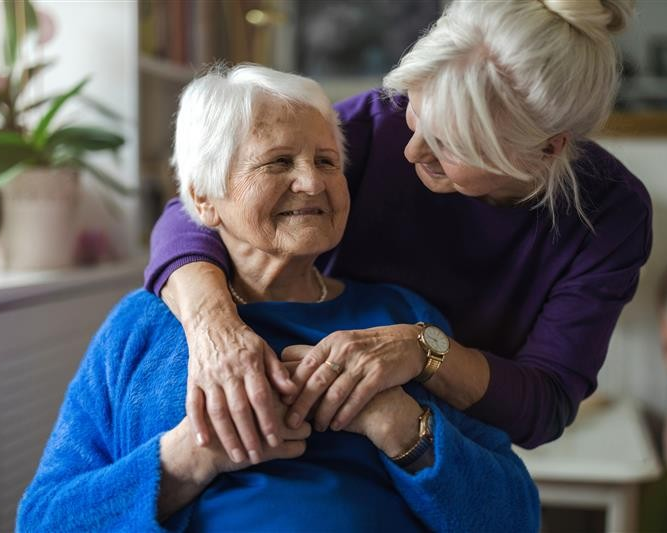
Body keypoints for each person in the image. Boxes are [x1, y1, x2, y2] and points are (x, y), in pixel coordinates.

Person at [17, 65, 539, 532]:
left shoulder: (403, 321)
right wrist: (192, 457)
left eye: (328, 161)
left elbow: (515, 516)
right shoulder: (141, 327)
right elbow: (43, 520)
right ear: (203, 196)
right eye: (278, 162)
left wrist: (397, 423)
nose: (312, 182)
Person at [144, 0, 652, 460]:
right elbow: (194, 208)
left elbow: (546, 403)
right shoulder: (378, 123)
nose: (411, 152)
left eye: (450, 144)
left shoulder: (610, 213)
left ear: (548, 149)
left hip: (442, 441)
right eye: (416, 114)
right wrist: (216, 329)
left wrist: (424, 351)